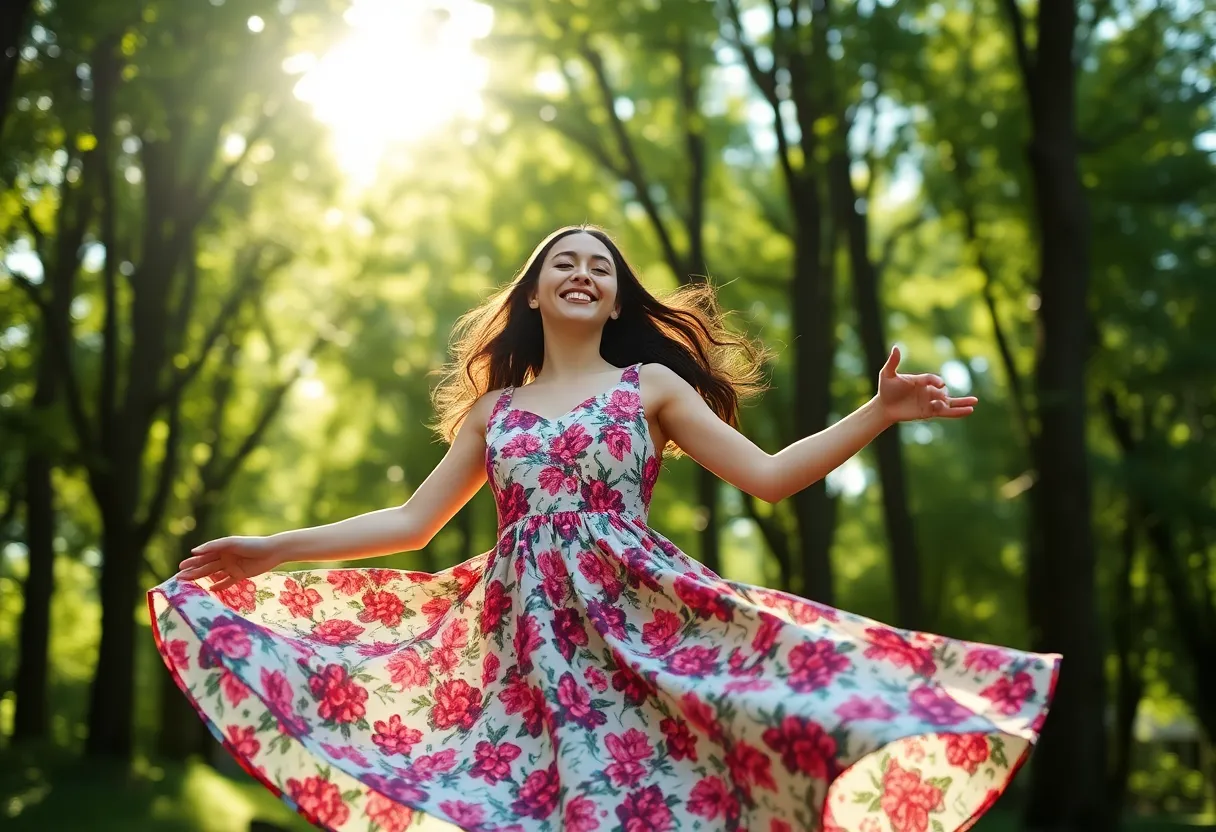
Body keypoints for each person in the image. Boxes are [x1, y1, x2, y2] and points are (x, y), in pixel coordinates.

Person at [151, 224, 1060, 832]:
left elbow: (774, 479)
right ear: (536, 295)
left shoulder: (651, 390)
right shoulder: (494, 413)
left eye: (602, 268)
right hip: (523, 656)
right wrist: (272, 550)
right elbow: (413, 522)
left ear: (618, 301)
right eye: (564, 265)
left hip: (642, 631)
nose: (584, 274)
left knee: (761, 737)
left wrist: (876, 413)